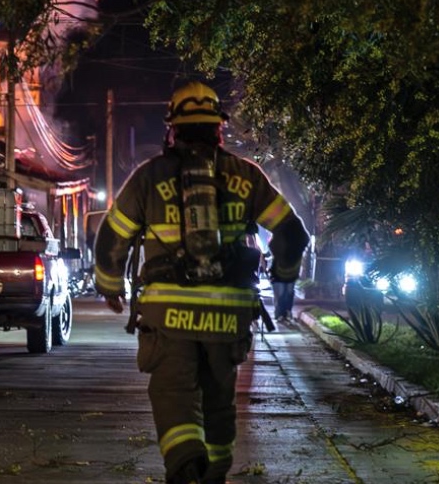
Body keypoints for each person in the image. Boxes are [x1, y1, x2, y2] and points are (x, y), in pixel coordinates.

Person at [93, 80, 310, 484]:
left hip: (167, 316)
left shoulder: (147, 178)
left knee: (173, 394)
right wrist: (283, 279)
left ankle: (185, 465)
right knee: (218, 401)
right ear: (218, 128)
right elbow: (293, 234)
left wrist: (110, 286)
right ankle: (212, 474)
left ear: (172, 129)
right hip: (227, 317)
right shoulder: (246, 176)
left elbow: (111, 238)